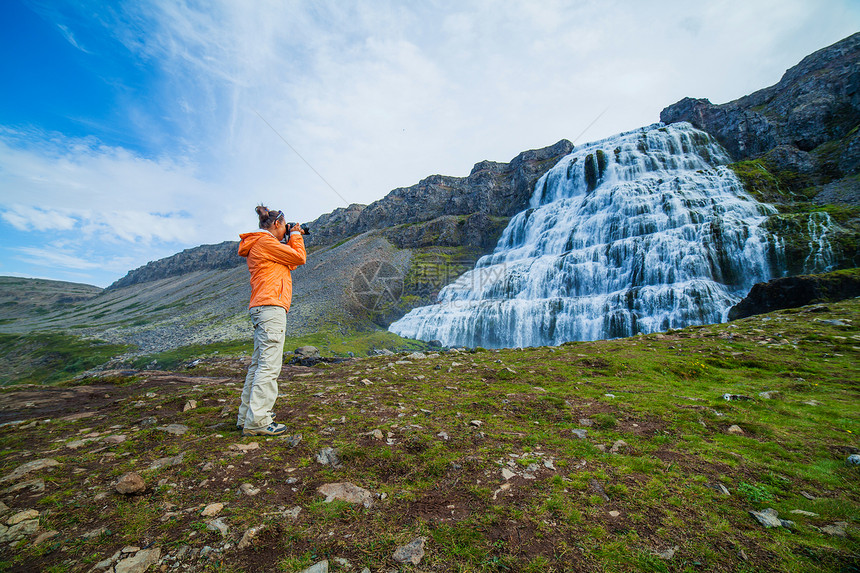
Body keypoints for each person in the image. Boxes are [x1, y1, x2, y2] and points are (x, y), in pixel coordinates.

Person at [236, 205, 307, 436]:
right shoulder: (266, 243)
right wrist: (295, 235)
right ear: (277, 224)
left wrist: (290, 237)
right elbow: (300, 257)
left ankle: (247, 415)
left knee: (258, 364)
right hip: (271, 308)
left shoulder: (263, 244)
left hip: (262, 308)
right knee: (269, 366)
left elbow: (291, 262)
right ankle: (258, 421)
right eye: (284, 226)